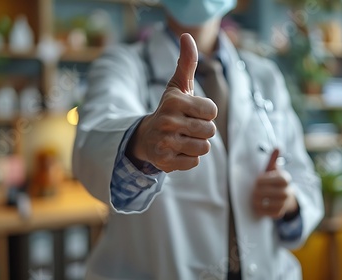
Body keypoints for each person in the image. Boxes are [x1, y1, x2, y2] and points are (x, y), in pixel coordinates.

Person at [72, 0, 324, 279]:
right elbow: (91, 148)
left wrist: (289, 203)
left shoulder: (265, 76)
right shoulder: (122, 64)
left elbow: (304, 178)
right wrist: (142, 141)